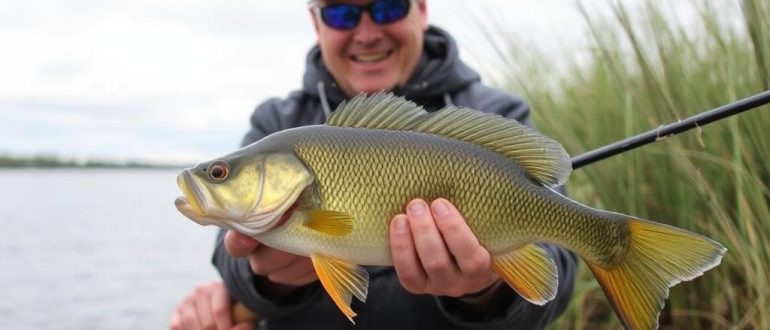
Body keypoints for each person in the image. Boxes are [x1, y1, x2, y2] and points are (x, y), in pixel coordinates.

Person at [170, 0, 577, 329]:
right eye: (341, 13)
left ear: (421, 8)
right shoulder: (276, 123)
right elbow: (229, 259)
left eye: (387, 8)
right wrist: (265, 279)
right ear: (316, 23)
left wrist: (487, 289)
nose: (367, 33)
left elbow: (553, 277)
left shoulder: (496, 112)